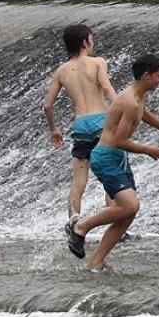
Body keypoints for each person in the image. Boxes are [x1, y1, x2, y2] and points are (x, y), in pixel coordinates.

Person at [66, 54, 159, 272]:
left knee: (128, 212)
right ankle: (81, 227)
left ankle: (96, 262)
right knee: (130, 205)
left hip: (118, 160)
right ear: (146, 76)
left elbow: (143, 114)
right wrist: (148, 150)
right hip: (105, 157)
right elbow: (120, 140)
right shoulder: (130, 100)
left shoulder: (138, 95)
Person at [42, 23, 117, 219]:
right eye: (91, 39)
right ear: (85, 42)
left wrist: (54, 129)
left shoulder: (62, 70)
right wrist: (123, 109)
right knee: (111, 174)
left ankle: (74, 224)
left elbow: (48, 105)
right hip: (102, 121)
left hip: (81, 125)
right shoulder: (98, 62)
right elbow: (107, 89)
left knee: (78, 182)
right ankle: (114, 225)